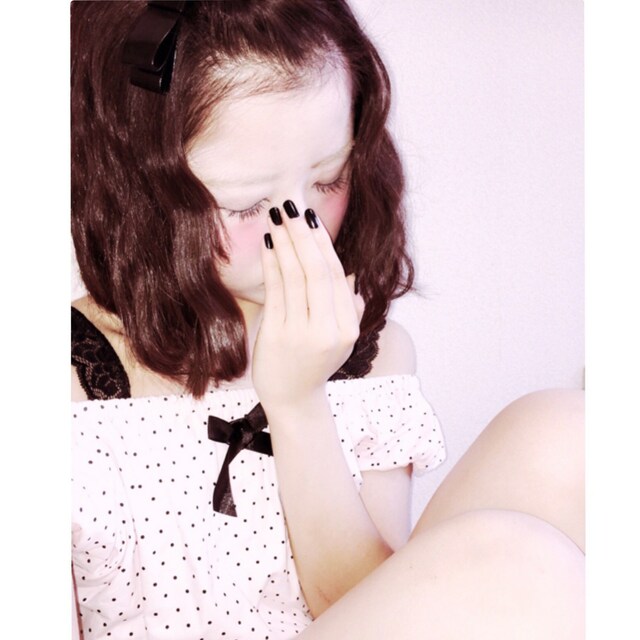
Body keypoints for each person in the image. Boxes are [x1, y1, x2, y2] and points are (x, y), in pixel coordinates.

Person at [71, 1, 584, 639]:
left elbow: (372, 607)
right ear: (134, 189)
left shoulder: (370, 351)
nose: (299, 227)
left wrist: (298, 402)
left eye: (329, 178)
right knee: (526, 569)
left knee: (572, 435)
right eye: (246, 205)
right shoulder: (66, 374)